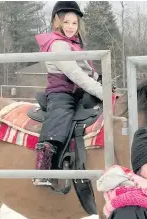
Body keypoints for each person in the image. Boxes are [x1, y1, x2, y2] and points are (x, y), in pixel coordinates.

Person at [32, 1, 103, 186]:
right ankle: (44, 164)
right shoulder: (58, 45)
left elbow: (87, 71)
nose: (71, 27)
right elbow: (75, 74)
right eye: (66, 23)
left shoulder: (75, 44)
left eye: (74, 23)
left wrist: (103, 84)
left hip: (79, 92)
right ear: (57, 23)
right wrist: (99, 90)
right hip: (61, 92)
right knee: (61, 114)